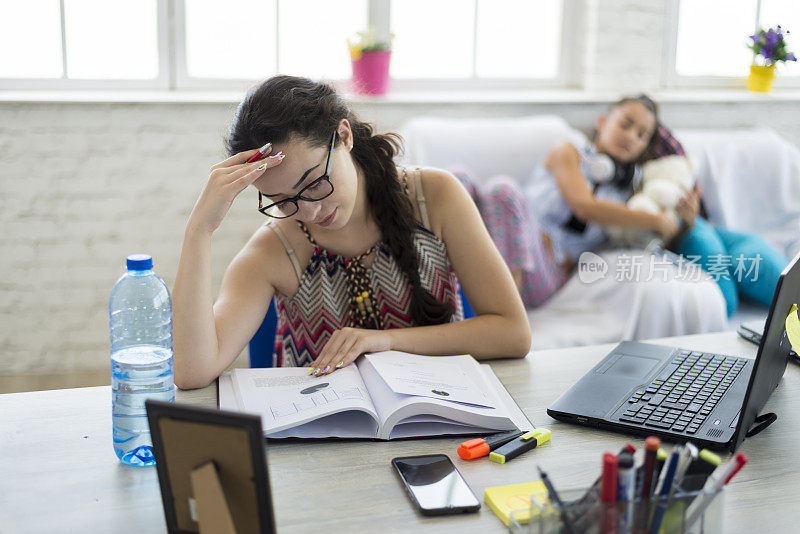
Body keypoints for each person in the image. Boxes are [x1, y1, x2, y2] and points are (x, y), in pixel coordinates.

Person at [172, 75, 531, 390]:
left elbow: (512, 333)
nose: (310, 211)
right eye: (283, 201)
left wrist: (387, 341)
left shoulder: (434, 197)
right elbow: (192, 373)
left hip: (436, 422)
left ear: (343, 136)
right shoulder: (272, 250)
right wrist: (198, 230)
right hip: (323, 448)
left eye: (314, 183)